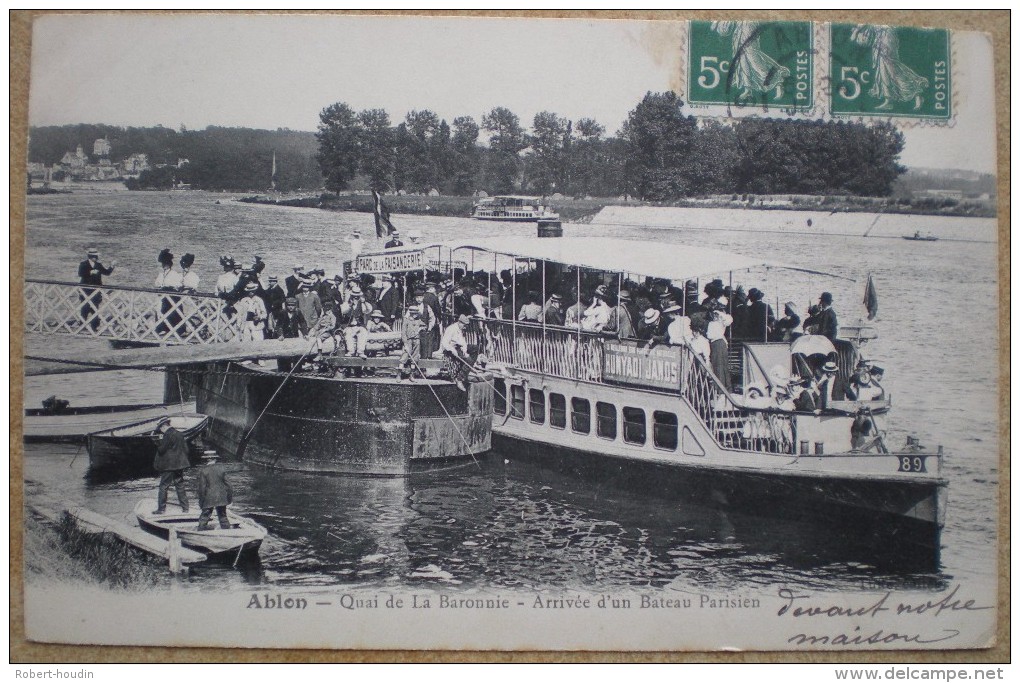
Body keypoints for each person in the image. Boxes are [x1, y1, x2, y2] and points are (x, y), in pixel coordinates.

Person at [152, 418, 190, 514]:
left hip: (169, 466)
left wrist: (157, 442)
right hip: (179, 465)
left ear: (164, 426)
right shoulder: (179, 434)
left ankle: (161, 509)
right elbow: (186, 450)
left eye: (160, 428)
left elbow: (161, 450)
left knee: (163, 486)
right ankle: (185, 508)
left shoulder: (167, 435)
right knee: (180, 485)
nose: (161, 430)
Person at [77, 247, 116, 331]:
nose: (96, 257)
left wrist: (112, 266)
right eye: (94, 256)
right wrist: (90, 272)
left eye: (96, 256)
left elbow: (107, 273)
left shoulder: (98, 265)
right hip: (85, 290)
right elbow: (80, 274)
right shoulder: (83, 264)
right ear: (89, 256)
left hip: (96, 290)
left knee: (95, 308)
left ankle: (94, 327)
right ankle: (82, 326)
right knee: (84, 308)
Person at [154, 248, 184, 335]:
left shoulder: (174, 274)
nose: (164, 265)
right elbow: (157, 284)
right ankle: (161, 328)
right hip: (162, 297)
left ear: (169, 264)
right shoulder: (161, 274)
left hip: (171, 299)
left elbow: (179, 286)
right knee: (159, 309)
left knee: (169, 311)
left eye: (165, 264)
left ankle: (171, 329)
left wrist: (169, 287)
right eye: (163, 264)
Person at [339, 283, 372, 358]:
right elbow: (343, 311)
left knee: (363, 333)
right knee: (348, 334)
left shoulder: (362, 303)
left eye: (357, 297)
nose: (356, 298)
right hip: (349, 326)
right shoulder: (347, 303)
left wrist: (364, 302)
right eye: (354, 296)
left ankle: (360, 351)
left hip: (359, 325)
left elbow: (367, 310)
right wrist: (350, 305)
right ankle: (351, 351)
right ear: (352, 296)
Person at [705, 301, 733, 391]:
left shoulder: (717, 323)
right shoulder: (717, 323)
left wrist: (721, 315)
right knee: (721, 365)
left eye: (716, 314)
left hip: (717, 343)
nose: (714, 316)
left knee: (719, 365)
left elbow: (709, 335)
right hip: (718, 343)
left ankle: (720, 388)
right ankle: (726, 387)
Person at [441, 313, 472, 391]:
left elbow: (463, 343)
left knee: (474, 348)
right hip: (450, 350)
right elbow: (444, 343)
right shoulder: (451, 329)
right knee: (468, 361)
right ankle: (459, 379)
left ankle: (467, 369)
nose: (465, 327)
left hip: (459, 348)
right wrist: (452, 350)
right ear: (459, 322)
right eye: (464, 325)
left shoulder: (460, 329)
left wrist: (465, 351)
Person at [398, 305, 426, 379]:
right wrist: (405, 343)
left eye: (416, 313)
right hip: (408, 341)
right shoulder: (406, 321)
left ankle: (412, 375)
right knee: (405, 356)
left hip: (417, 340)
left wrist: (420, 328)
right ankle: (399, 374)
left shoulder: (419, 320)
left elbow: (425, 326)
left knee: (415, 357)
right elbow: (403, 333)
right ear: (411, 313)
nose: (415, 315)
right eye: (414, 313)